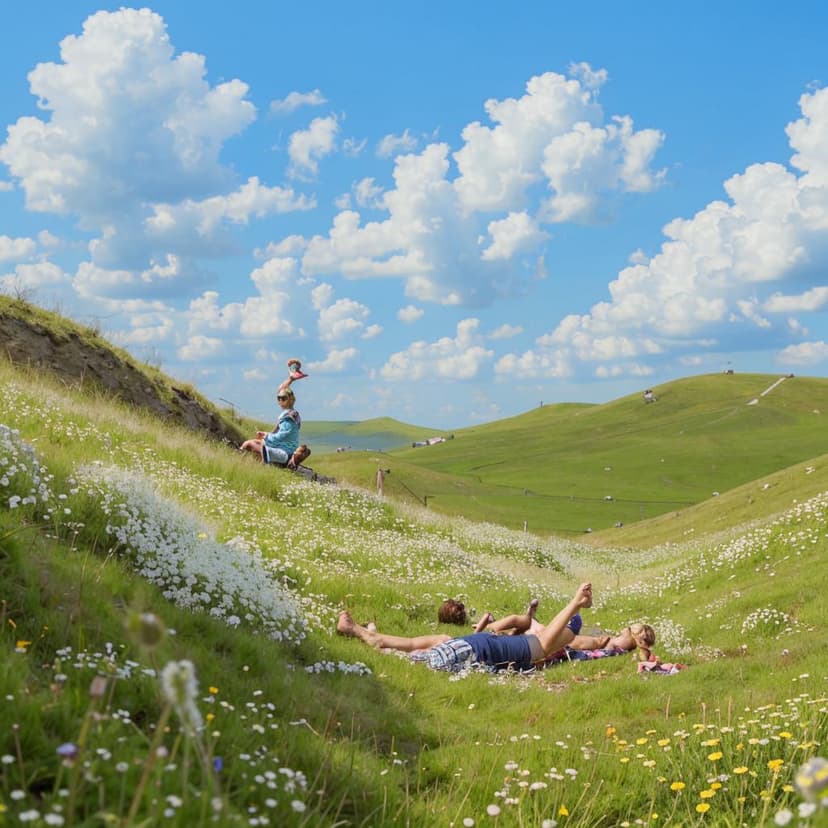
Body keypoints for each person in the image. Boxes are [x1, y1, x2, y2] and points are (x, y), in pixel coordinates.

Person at [337, 583, 593, 673]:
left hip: (471, 645)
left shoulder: (528, 647)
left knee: (423, 648)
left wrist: (576, 607)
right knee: (421, 659)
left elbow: (547, 639)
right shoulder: (535, 649)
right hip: (474, 649)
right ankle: (366, 635)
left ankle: (370, 634)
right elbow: (548, 642)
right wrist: (575, 603)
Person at [240, 386, 303, 466]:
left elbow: (282, 436)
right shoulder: (291, 413)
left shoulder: (290, 417)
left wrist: (266, 436)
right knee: (248, 443)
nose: (280, 400)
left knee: (249, 444)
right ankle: (242, 462)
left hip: (285, 453)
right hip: (280, 448)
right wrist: (265, 434)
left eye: (283, 398)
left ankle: (246, 464)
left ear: (290, 400)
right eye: (278, 398)